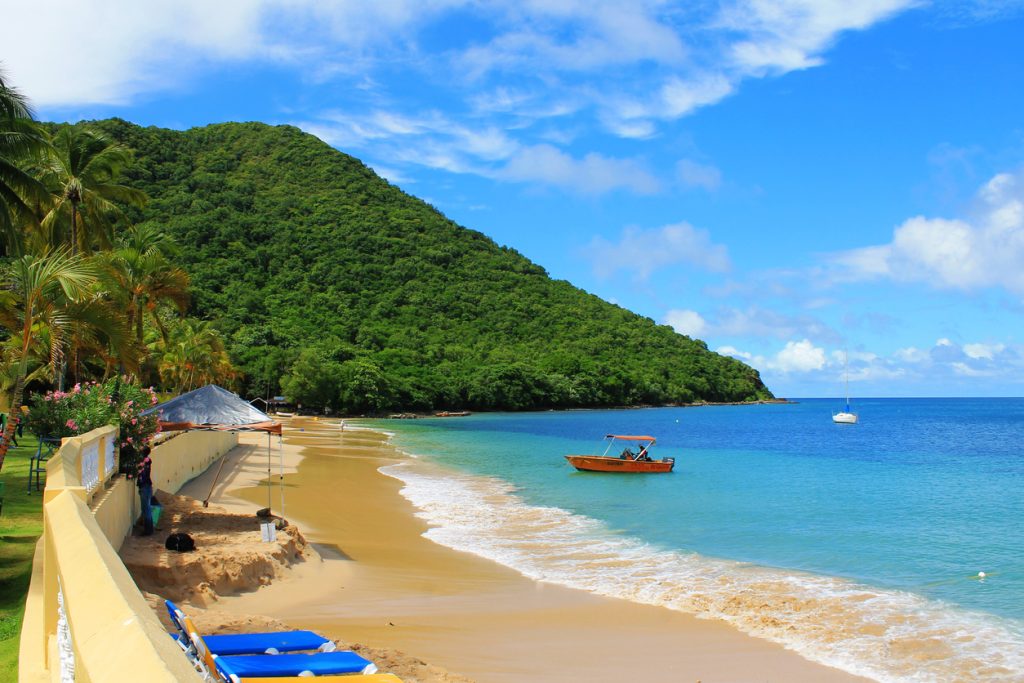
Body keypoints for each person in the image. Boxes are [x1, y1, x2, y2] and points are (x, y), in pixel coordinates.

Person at [136, 445, 154, 536]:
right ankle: (149, 529)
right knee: (147, 508)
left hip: (145, 487)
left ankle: (148, 530)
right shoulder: (147, 461)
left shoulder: (144, 463)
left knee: (146, 509)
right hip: (147, 486)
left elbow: (142, 476)